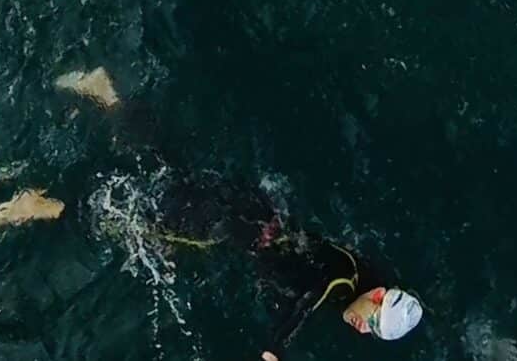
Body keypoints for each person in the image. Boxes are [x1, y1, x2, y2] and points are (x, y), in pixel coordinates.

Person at [59, 68, 424, 359]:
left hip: (261, 212)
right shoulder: (342, 280)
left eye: (372, 332)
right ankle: (49, 205)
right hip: (237, 230)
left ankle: (107, 94)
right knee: (134, 225)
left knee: (173, 171)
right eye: (371, 321)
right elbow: (309, 300)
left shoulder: (371, 277)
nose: (362, 329)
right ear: (377, 297)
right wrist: (273, 351)